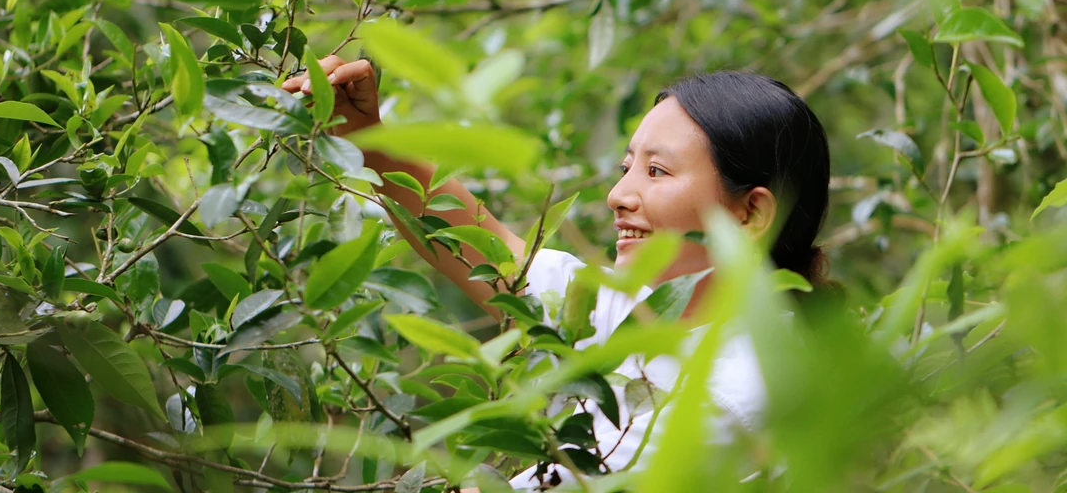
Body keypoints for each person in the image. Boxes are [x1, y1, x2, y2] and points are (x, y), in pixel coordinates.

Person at [282, 55, 832, 489]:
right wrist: (368, 141)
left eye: (657, 171)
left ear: (751, 212)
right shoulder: (643, 307)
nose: (618, 195)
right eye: (626, 168)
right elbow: (494, 253)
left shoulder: (740, 387)